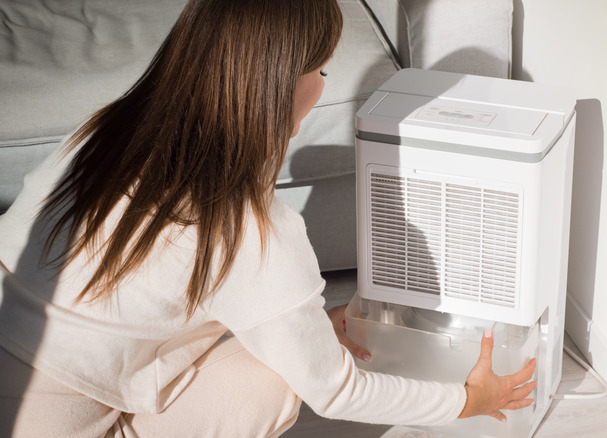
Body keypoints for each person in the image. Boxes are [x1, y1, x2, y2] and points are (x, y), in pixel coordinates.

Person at [0, 0, 537, 436]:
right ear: (280, 84)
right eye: (322, 69)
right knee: (277, 381)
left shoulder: (104, 131)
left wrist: (298, 327)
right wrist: (466, 400)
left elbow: (136, 291)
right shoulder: (249, 232)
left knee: (277, 351)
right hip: (53, 422)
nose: (324, 85)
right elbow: (337, 391)